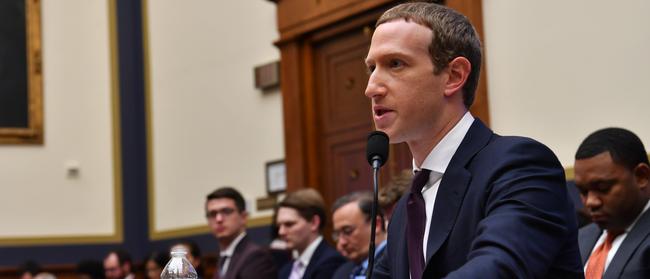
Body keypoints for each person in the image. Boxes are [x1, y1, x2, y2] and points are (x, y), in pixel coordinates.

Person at [364, 2, 582, 278]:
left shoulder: (521, 166)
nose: (371, 87)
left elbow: (498, 269)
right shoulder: (404, 213)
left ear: (454, 76)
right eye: (371, 68)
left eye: (395, 64)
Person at [573, 128, 650, 279]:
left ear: (642, 176)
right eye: (583, 191)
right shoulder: (578, 238)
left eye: (603, 188)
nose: (590, 202)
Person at [205, 187, 276, 279]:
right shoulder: (224, 256)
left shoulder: (256, 257)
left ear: (244, 217)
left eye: (226, 211)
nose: (219, 219)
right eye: (212, 214)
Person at [275, 188, 346, 279]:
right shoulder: (286, 269)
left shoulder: (331, 262)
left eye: (289, 224)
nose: (281, 232)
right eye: (279, 226)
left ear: (314, 223)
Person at [331, 192, 387, 279]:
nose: (341, 243)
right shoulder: (342, 272)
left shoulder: (398, 265)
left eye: (347, 231)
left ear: (376, 225)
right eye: (337, 235)